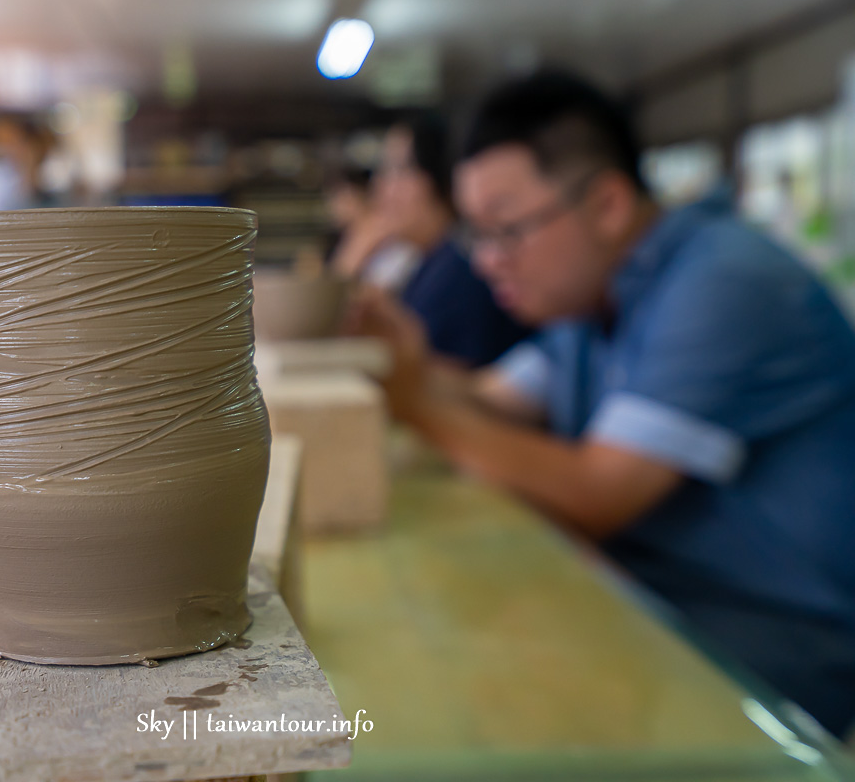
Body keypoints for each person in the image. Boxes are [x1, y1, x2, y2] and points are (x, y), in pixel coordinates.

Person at [352, 69, 855, 738]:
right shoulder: (595, 303)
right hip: (657, 599)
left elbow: (599, 490)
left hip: (774, 641)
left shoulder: (725, 280)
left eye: (507, 230)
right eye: (477, 236)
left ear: (609, 205)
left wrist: (416, 401)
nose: (488, 261)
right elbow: (487, 400)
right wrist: (397, 359)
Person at [335, 116, 529, 367]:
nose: (381, 186)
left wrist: (353, 256)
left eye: (398, 169)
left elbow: (437, 381)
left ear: (438, 175)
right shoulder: (430, 261)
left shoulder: (464, 269)